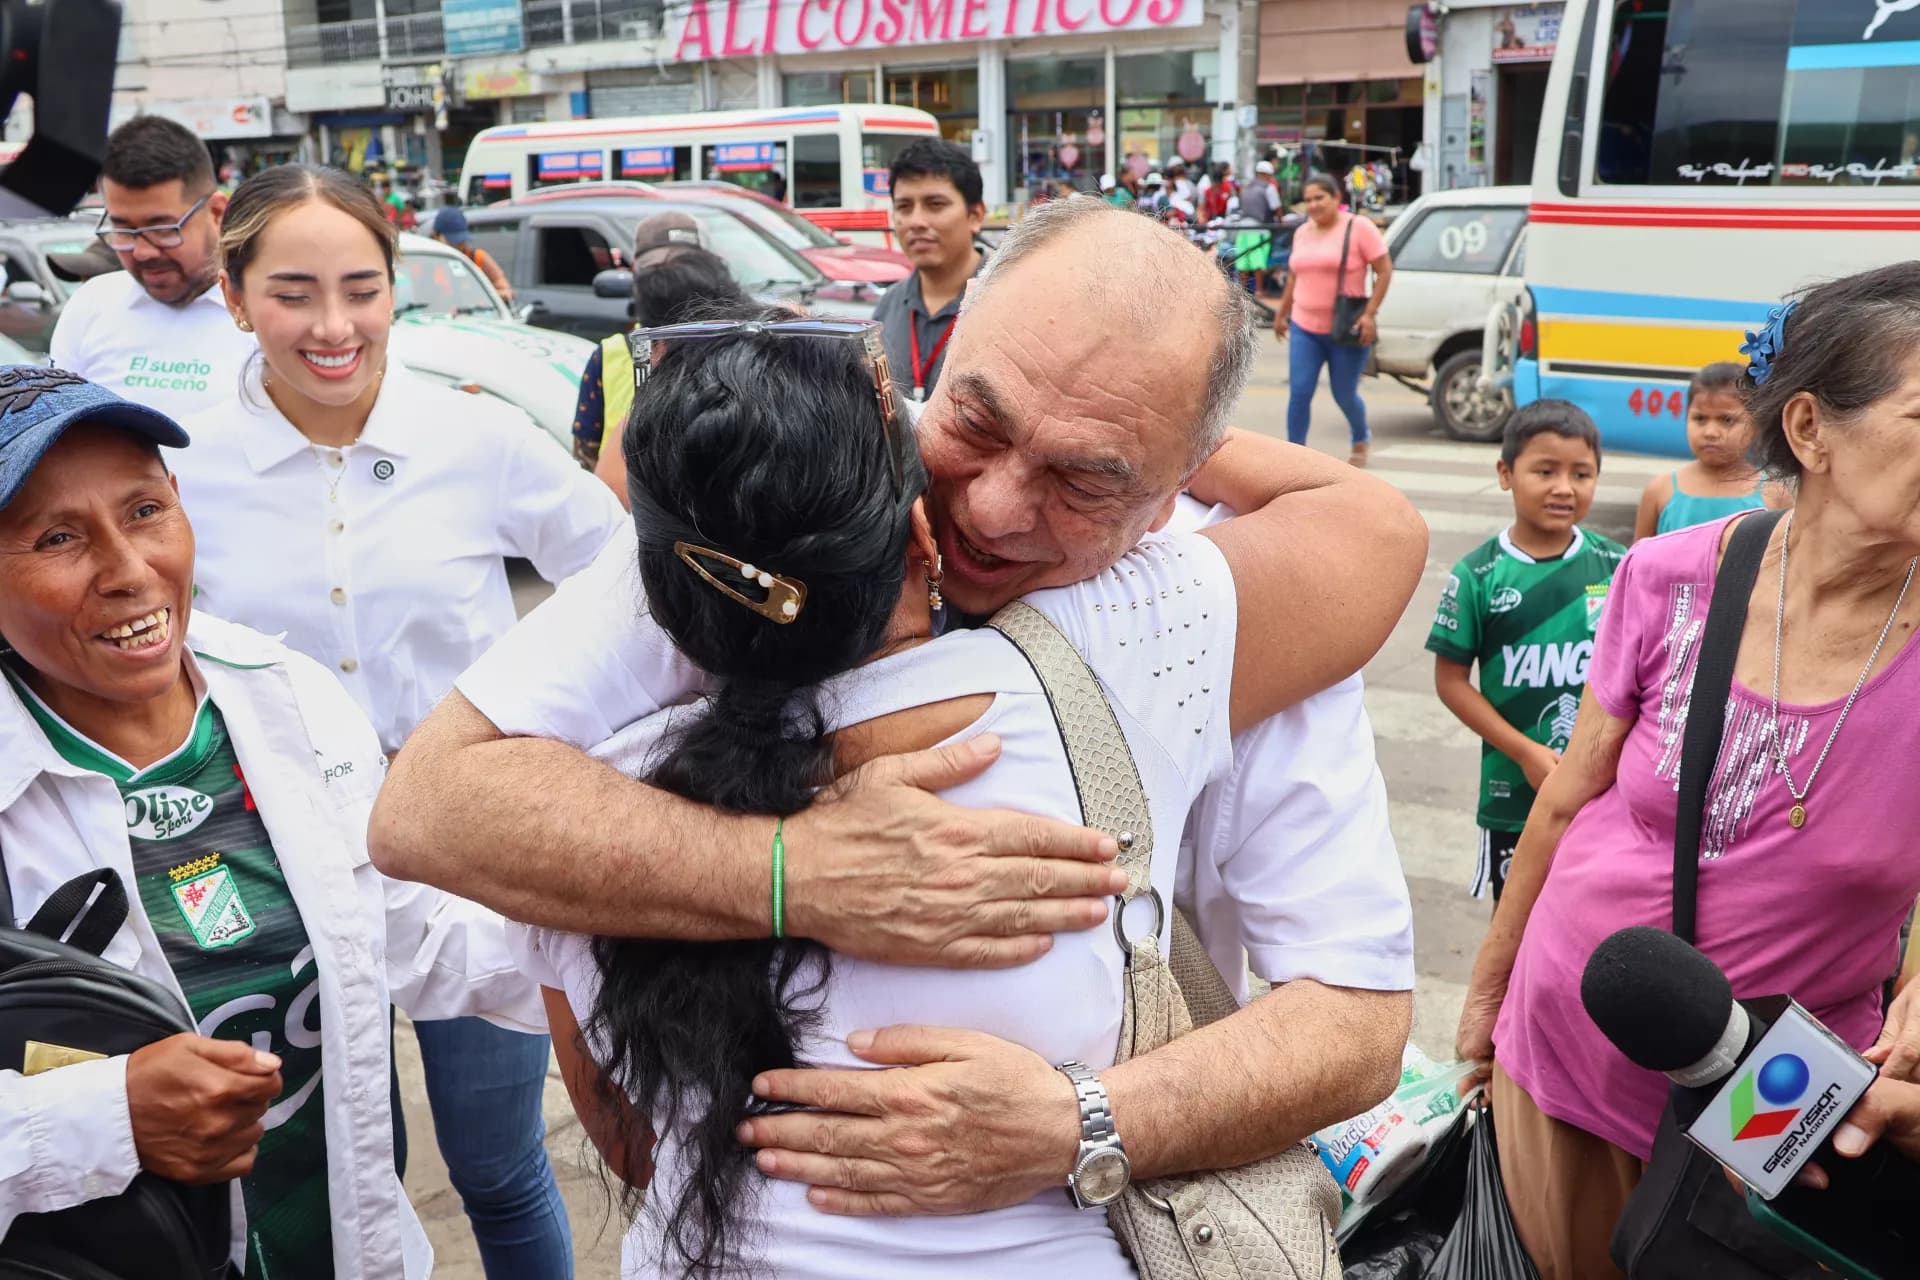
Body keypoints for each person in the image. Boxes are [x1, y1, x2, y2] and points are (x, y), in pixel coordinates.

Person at [372, 198, 1423, 1228]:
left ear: (1179, 484)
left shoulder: (1210, 608)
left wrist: (1079, 1121)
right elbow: (431, 805)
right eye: (976, 421)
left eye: (1085, 478)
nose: (995, 509)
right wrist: (800, 872)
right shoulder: (781, 515)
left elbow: (1353, 1020)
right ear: (931, 360)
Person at [170, 164, 623, 1278]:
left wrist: (557, 735)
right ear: (233, 296)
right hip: (279, 872)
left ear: (395, 291)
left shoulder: (477, 440)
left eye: (362, 288)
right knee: (349, 1166)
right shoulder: (180, 466)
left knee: (498, 1166)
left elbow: (626, 581)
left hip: (469, 859)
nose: (334, 325)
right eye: (293, 292)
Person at [0, 369, 544, 1278]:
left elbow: (415, 933)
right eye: (58, 538)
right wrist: (106, 1119)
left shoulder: (285, 695)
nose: (129, 572)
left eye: (143, 511)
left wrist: (674, 938)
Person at [1455, 263, 1920, 1280]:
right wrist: (1486, 994)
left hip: (1776, 1096)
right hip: (1567, 1047)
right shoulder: (1672, 576)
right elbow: (1569, 795)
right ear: (1811, 430)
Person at [1427, 401, 1624, 907]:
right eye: (1545, 471)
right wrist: (1525, 752)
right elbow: (1451, 682)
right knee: (1515, 928)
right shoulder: (1478, 576)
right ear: (1505, 474)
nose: (1564, 487)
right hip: (1513, 796)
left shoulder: (1619, 566)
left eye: (1581, 473)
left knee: (1591, 925)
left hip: (1600, 795)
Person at [50, 116, 255, 418]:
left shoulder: (267, 312)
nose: (143, 252)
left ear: (216, 213)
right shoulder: (92, 304)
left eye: (162, 229)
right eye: (124, 230)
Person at [569, 213, 748, 478]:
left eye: (683, 267)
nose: (671, 281)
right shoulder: (612, 355)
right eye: (659, 271)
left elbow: (586, 460)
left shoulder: (747, 345)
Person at [1272, 173, 1393, 467]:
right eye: (1308, 199)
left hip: (1345, 329)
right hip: (1305, 327)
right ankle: (1294, 455)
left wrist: (1370, 314)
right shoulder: (1302, 232)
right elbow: (1294, 277)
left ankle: (1361, 436)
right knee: (1299, 392)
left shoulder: (1359, 227)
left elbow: (1384, 270)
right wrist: (1282, 313)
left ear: (1336, 198)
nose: (1313, 205)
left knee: (1344, 394)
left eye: (1319, 198)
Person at [870, 138, 985, 402]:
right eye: (904, 207)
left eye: (935, 205)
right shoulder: (887, 308)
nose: (916, 222)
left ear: (976, 216)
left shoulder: (1009, 299)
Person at [1632, 361, 1769, 540]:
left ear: (1756, 425)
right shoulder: (1660, 490)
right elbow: (1637, 562)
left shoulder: (1773, 494)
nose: (1710, 432)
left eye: (1727, 420)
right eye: (1700, 418)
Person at [428, 207, 514, 305]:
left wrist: (480, 296)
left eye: (462, 240)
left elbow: (506, 291)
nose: (460, 245)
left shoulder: (477, 258)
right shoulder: (424, 263)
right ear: (435, 236)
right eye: (453, 240)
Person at [1233, 160, 1281, 297]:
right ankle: (1259, 290)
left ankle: (1242, 291)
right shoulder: (1269, 188)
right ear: (1267, 174)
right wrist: (1282, 222)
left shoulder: (1246, 188)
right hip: (1259, 227)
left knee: (1244, 258)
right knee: (1258, 258)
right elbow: (1276, 207)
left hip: (1243, 226)